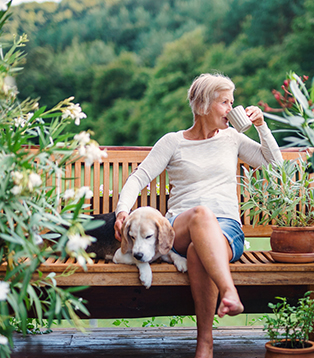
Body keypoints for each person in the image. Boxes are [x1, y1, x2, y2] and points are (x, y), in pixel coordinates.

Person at [114, 73, 283, 358]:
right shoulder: (173, 142)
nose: (232, 108)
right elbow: (138, 177)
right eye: (225, 102)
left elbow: (275, 165)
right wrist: (122, 211)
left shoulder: (233, 138)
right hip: (179, 226)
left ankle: (204, 344)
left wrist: (261, 126)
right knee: (201, 215)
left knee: (196, 251)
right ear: (204, 105)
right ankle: (229, 292)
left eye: (232, 102)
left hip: (226, 229)